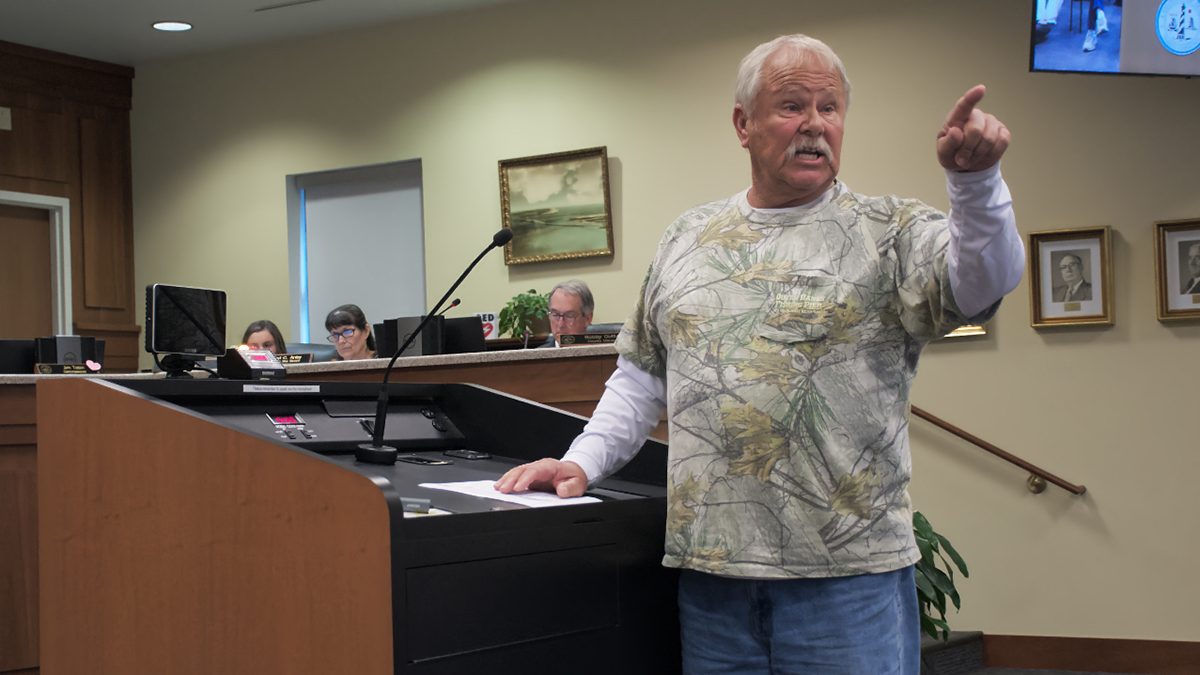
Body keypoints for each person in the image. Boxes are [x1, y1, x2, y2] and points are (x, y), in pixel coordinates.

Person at [496, 33, 1024, 674]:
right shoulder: (687, 237)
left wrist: (975, 185)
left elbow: (984, 282)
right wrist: (581, 463)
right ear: (743, 124)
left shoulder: (890, 230)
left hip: (845, 580)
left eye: (829, 108)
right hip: (713, 578)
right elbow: (640, 379)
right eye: (792, 105)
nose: (813, 125)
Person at [540, 280, 595, 347]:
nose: (561, 325)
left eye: (569, 316)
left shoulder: (603, 354)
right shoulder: (535, 356)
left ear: (588, 318)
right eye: (555, 315)